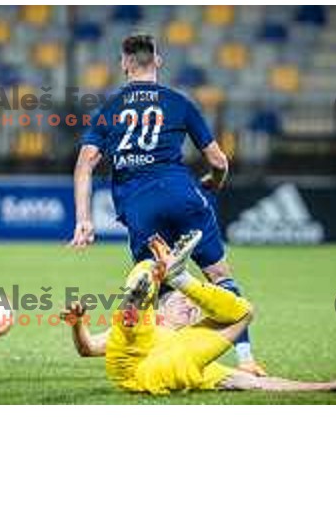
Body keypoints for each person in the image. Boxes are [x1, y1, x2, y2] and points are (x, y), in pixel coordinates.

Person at [70, 33, 263, 374]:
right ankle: (246, 360)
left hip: (140, 206)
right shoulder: (180, 102)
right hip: (182, 194)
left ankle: (150, 351)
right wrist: (213, 185)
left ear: (124, 64)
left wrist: (83, 220)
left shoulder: (109, 109)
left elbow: (85, 163)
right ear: (157, 61)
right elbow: (218, 161)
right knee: (220, 277)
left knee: (149, 284)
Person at [65, 231, 336, 395]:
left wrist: (326, 386)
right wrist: (78, 325)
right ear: (163, 306)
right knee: (141, 289)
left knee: (244, 311)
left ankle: (172, 278)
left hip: (162, 372)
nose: (188, 306)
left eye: (192, 308)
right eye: (181, 300)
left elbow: (257, 383)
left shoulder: (195, 349)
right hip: (130, 360)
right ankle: (151, 280)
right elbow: (88, 348)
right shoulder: (153, 324)